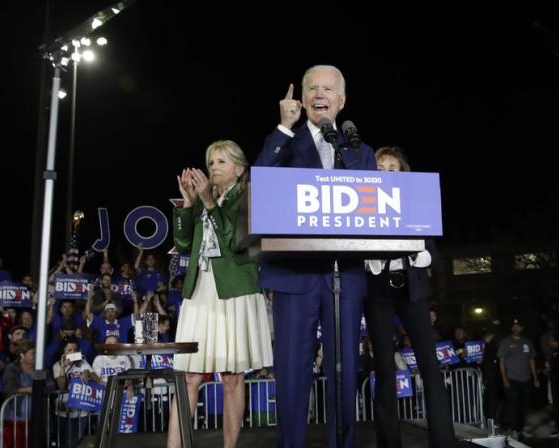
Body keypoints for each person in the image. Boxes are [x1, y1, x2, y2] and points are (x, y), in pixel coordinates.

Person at [253, 64, 376, 448]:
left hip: (347, 274)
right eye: (312, 89)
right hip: (294, 274)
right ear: (302, 99)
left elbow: (373, 209)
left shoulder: (361, 151)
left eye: (327, 89)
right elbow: (260, 180)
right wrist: (283, 128)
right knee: (292, 369)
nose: (319, 94)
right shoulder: (284, 143)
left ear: (341, 101)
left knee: (344, 370)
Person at [167, 140, 273, 448]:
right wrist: (189, 203)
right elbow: (184, 243)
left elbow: (235, 241)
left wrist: (210, 205)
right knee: (189, 376)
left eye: (221, 162)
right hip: (200, 291)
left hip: (235, 292)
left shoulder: (248, 196)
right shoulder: (204, 196)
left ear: (239, 169)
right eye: (211, 161)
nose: (213, 166)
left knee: (231, 377)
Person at [363, 146, 455, 447]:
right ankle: (389, 442)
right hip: (377, 291)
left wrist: (422, 256)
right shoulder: (360, 202)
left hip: (413, 290)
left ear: (402, 173)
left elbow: (433, 250)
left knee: (430, 363)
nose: (386, 172)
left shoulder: (418, 202)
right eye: (380, 167)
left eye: (392, 168)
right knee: (385, 369)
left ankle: (443, 439)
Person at [497, 318, 540, 439]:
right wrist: (504, 379)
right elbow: (501, 361)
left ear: (522, 328)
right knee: (513, 405)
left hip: (526, 379)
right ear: (512, 328)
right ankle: (514, 429)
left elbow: (531, 359)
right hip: (512, 379)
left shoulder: (527, 342)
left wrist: (535, 378)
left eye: (518, 326)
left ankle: (521, 429)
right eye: (514, 326)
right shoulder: (506, 341)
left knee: (524, 406)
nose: (516, 328)